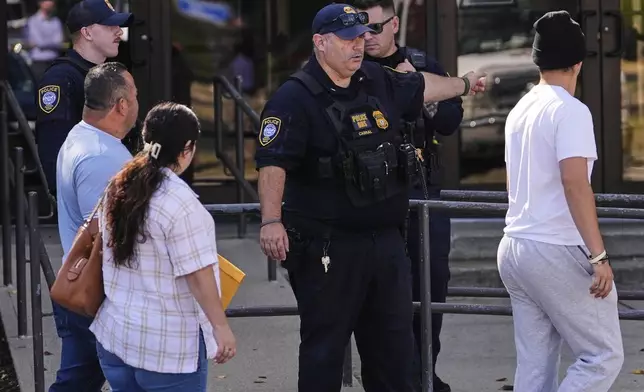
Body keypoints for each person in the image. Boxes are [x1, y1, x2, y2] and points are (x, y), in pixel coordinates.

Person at [254, 3, 485, 391]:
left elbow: (421, 87)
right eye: (347, 40)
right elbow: (272, 162)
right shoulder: (294, 98)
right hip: (328, 249)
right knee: (324, 353)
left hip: (386, 246)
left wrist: (463, 83)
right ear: (320, 43)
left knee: (394, 356)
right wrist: (271, 220)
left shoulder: (375, 78)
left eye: (361, 38)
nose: (358, 46)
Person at [497, 11, 624, 392]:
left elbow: (511, 184)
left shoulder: (520, 110)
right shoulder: (571, 111)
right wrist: (598, 256)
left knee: (535, 366)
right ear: (579, 63)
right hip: (554, 246)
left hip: (515, 246)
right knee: (603, 356)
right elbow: (575, 183)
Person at [348, 1, 462, 390]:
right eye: (360, 31)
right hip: (375, 197)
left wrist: (421, 91)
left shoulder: (419, 62)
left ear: (395, 24)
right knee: (378, 297)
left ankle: (424, 375)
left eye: (375, 29)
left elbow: (450, 121)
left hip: (423, 192)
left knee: (431, 288)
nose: (366, 39)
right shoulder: (351, 68)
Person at [90, 102, 236, 391]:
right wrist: (221, 328)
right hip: (169, 353)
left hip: (116, 338)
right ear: (188, 148)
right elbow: (198, 275)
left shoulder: (119, 184)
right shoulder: (182, 204)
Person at [53, 62, 138, 391]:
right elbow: (109, 241)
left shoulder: (82, 136)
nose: (136, 103)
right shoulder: (101, 157)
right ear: (121, 105)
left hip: (83, 290)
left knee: (76, 381)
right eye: (135, 96)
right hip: (99, 298)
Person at [36, 0, 133, 195]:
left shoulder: (108, 75)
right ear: (86, 33)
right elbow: (54, 149)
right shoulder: (61, 78)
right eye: (110, 25)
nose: (119, 32)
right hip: (87, 199)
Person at [25, 0, 64, 80]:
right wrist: (52, 43)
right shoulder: (32, 21)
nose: (50, 2)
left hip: (54, 61)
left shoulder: (56, 21)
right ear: (40, 3)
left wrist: (42, 44)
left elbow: (59, 43)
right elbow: (40, 42)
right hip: (39, 62)